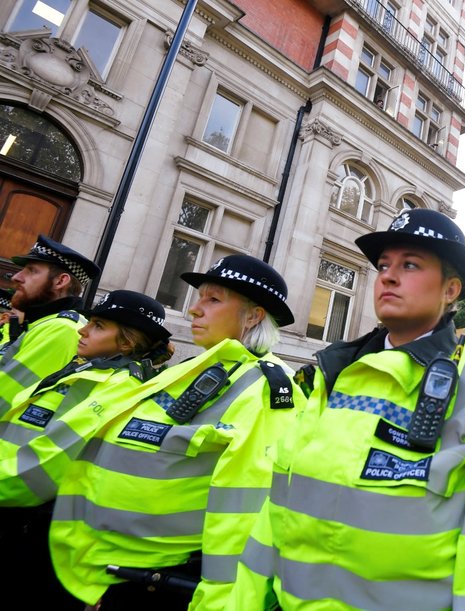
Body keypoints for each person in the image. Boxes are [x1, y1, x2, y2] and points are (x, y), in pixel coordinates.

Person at [229, 208, 465, 609]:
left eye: (410, 264)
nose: (386, 275)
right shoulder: (333, 375)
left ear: (450, 290)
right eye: (384, 264)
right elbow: (277, 511)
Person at [47, 255, 304, 611]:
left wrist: (219, 602)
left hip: (159, 583)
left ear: (254, 315)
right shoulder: (192, 368)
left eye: (213, 300)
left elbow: (246, 513)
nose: (195, 310)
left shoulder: (266, 386)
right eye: (199, 297)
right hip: (98, 570)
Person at [0, 290, 173, 608]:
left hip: (34, 530)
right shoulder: (88, 372)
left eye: (97, 325)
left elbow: (47, 464)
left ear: (126, 342)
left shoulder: (115, 386)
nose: (82, 330)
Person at [0, 236, 101, 415]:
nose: (16, 277)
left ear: (61, 281)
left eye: (31, 271)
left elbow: (5, 394)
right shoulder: (41, 323)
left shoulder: (62, 329)